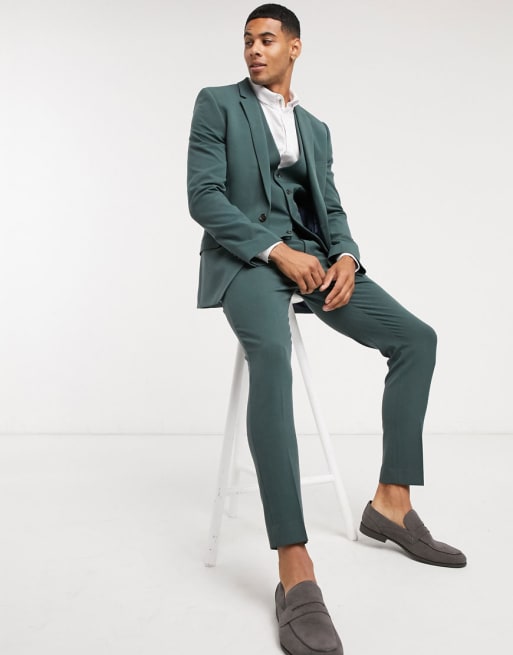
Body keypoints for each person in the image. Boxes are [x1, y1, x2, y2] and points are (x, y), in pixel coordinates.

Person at [187, 5, 466, 654]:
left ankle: (391, 503)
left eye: (267, 40)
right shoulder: (216, 104)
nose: (254, 50)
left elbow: (331, 209)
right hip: (247, 262)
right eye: (247, 41)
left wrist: (345, 256)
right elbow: (204, 196)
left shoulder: (314, 128)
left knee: (415, 339)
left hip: (315, 261)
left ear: (295, 48)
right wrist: (273, 250)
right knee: (271, 354)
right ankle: (294, 566)